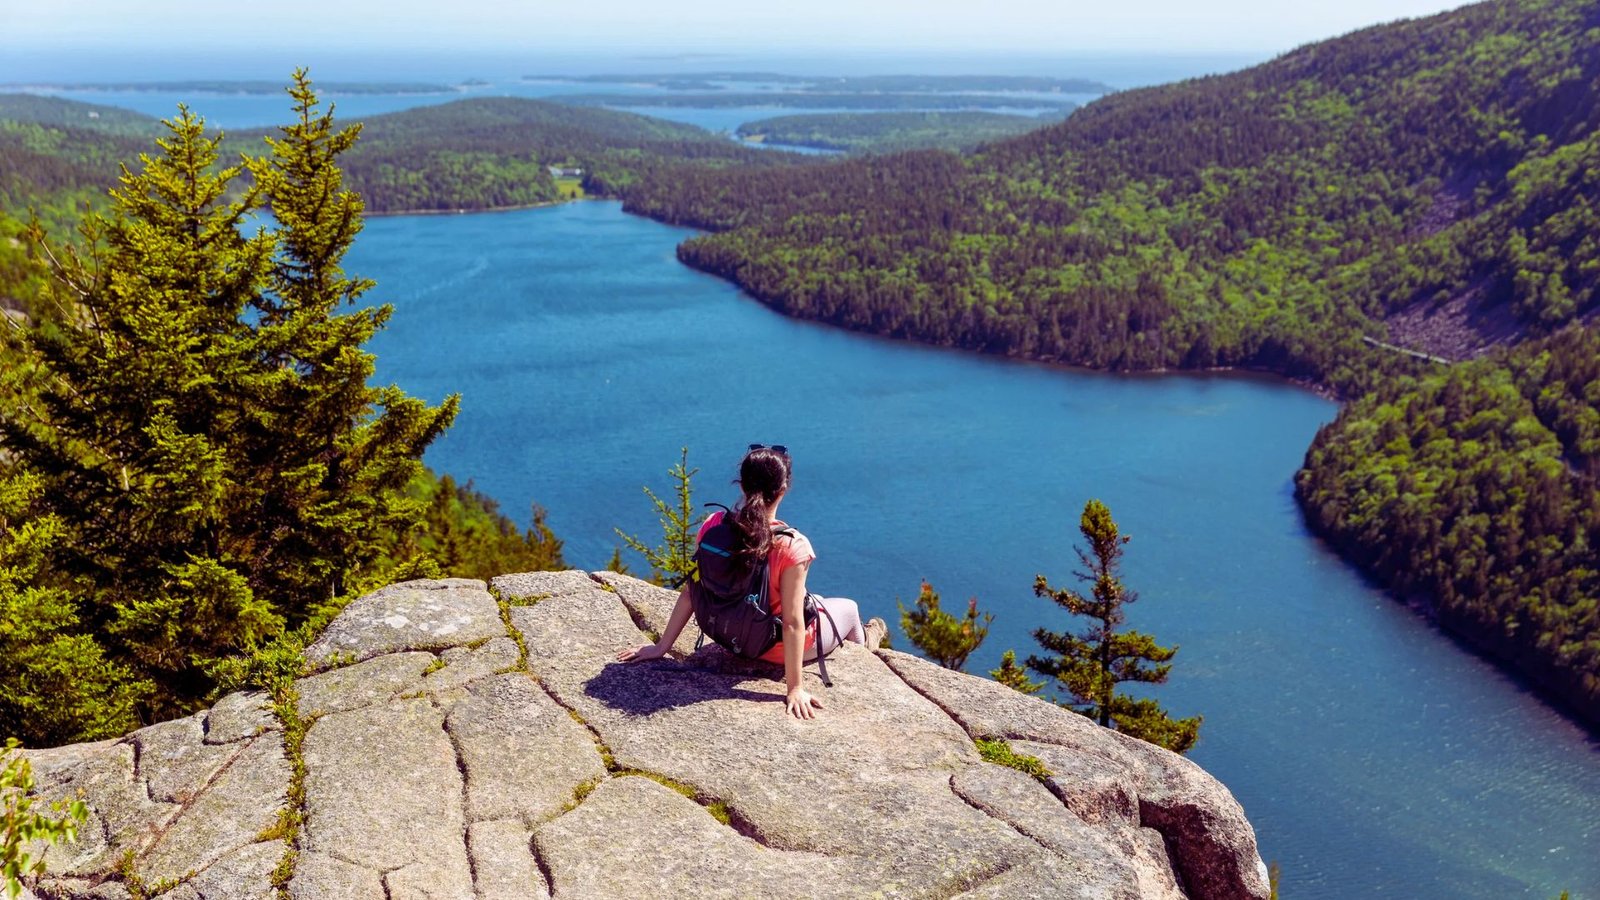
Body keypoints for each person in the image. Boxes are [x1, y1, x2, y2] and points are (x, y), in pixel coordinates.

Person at [617, 444, 887, 719]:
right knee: (849, 608)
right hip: (774, 649)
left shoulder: (713, 525)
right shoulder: (792, 546)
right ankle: (867, 645)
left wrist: (662, 647)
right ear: (783, 489)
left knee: (816, 601)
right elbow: (793, 623)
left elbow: (691, 590)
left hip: (727, 635)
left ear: (742, 485)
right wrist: (795, 688)